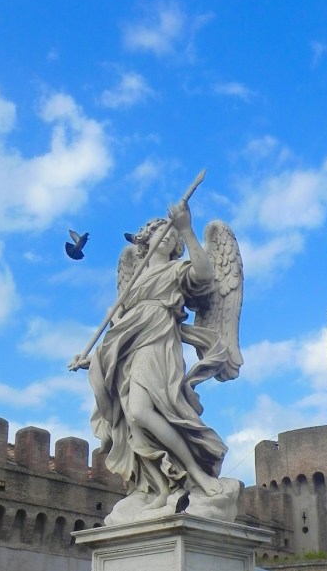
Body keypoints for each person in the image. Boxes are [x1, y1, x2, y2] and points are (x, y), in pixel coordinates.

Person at [69, 198, 243, 524]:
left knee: (141, 411)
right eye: (159, 233)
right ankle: (157, 486)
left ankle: (197, 475)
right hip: (128, 352)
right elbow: (118, 331)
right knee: (134, 421)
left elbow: (205, 275)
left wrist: (187, 229)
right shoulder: (133, 282)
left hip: (159, 343)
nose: (166, 237)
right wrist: (94, 360)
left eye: (171, 236)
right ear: (144, 240)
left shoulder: (176, 270)